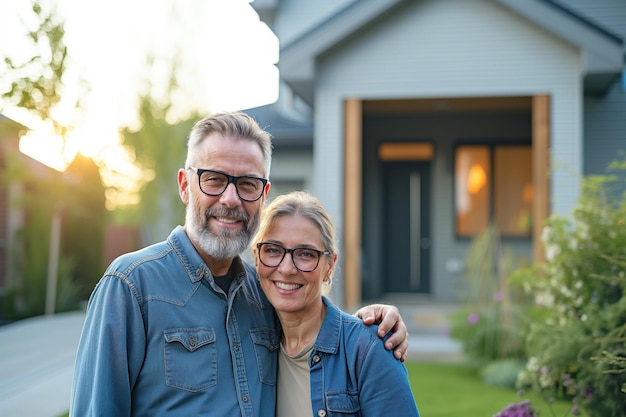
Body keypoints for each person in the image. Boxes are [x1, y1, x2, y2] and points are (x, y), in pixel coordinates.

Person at [70, 111, 409, 417]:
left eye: (247, 184)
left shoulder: (264, 294)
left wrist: (378, 321)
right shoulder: (131, 287)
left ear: (263, 195)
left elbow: (315, 324)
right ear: (185, 186)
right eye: (214, 179)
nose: (230, 200)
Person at [252, 191, 420, 417]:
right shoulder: (248, 342)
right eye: (273, 250)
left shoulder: (367, 351)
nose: (286, 268)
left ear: (329, 265)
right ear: (256, 256)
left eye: (305, 254)